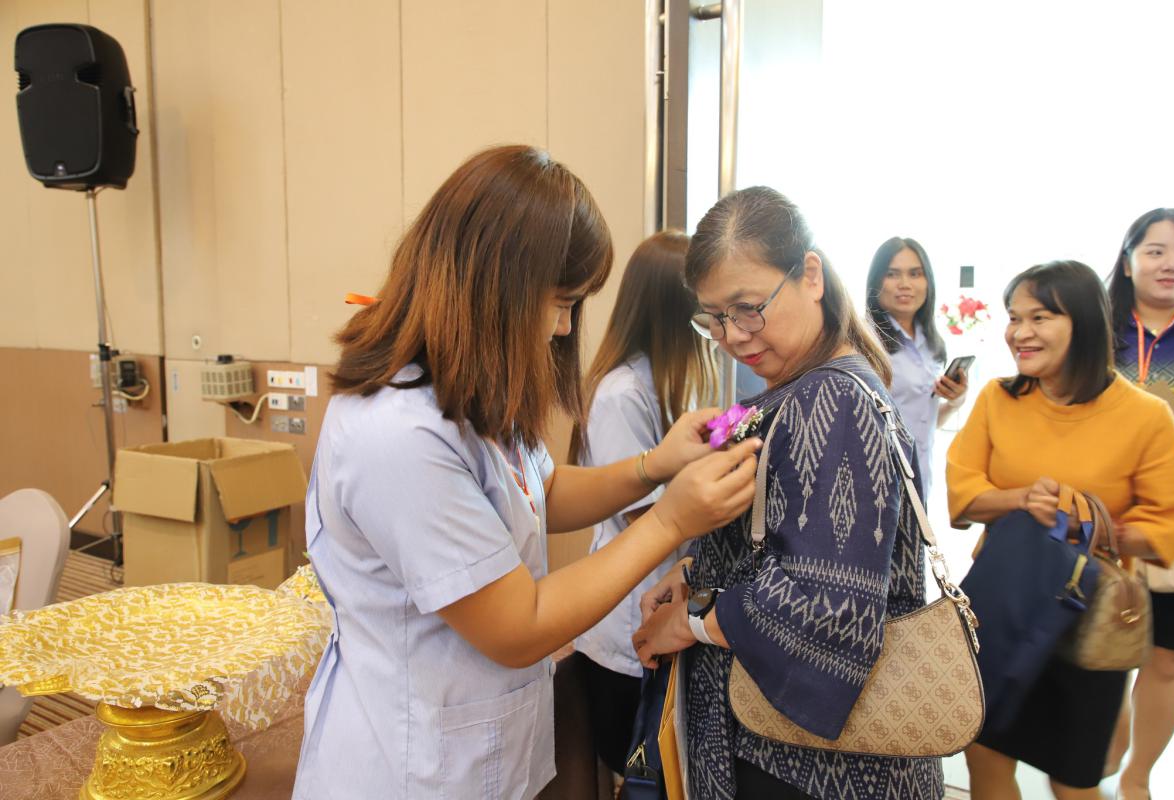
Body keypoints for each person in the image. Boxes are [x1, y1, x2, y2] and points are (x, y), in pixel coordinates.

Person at [290, 145, 761, 800]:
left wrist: (652, 465)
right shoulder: (396, 433)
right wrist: (670, 519)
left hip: (483, 748)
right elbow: (520, 624)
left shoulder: (468, 386)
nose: (564, 328)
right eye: (561, 302)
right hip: (409, 768)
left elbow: (540, 490)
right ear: (495, 285)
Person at [632, 186, 944, 799]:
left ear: (811, 275)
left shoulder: (833, 398)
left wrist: (693, 621)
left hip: (808, 769)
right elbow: (787, 540)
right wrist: (697, 571)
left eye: (748, 308)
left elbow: (829, 607)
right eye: (714, 317)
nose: (733, 335)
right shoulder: (816, 384)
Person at [946, 260, 1174, 799]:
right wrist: (1021, 500)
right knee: (985, 756)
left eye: (1040, 317)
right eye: (1014, 317)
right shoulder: (998, 398)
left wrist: (1092, 527)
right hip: (1004, 602)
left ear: (1083, 321)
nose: (1020, 332)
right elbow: (963, 493)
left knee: (1074, 780)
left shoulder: (1144, 415)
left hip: (1087, 619)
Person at [570, 230, 717, 777]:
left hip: (665, 604)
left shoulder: (673, 379)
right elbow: (644, 514)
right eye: (708, 305)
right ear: (676, 307)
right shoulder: (621, 394)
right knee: (636, 770)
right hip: (625, 618)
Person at [1103, 208, 1174, 800]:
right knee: (1101, 647)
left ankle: (1137, 777)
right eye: (1157, 250)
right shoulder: (1095, 329)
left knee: (1168, 657)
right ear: (1128, 260)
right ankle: (1098, 755)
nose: (1173, 263)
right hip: (1104, 515)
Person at [866, 236, 967, 490]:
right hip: (879, 482)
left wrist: (955, 402)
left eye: (915, 274)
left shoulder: (931, 344)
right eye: (892, 274)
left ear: (928, 281)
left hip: (921, 478)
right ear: (876, 281)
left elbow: (923, 420)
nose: (905, 284)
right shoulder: (865, 341)